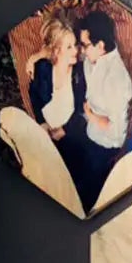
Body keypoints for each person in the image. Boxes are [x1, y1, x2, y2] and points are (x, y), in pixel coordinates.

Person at [76, 10, 132, 214]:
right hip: (90, 132)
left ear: (100, 46)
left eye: (84, 45)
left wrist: (89, 114)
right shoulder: (91, 60)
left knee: (86, 196)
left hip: (106, 145)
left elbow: (114, 131)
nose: (81, 51)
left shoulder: (116, 79)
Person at [27, 12, 88, 187]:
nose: (75, 50)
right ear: (55, 50)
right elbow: (35, 97)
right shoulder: (41, 69)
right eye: (69, 47)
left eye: (75, 45)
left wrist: (65, 130)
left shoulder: (80, 74)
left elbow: (84, 111)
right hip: (47, 136)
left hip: (73, 138)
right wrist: (42, 124)